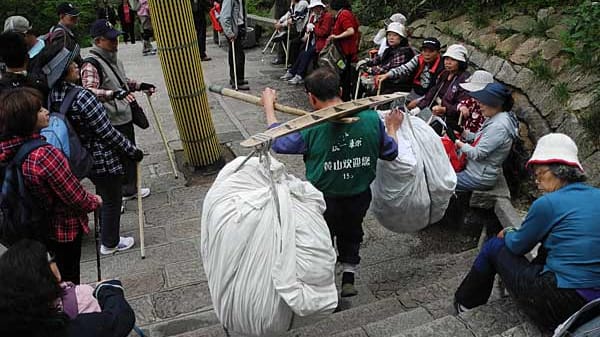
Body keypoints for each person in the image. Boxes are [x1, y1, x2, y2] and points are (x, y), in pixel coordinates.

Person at [261, 67, 402, 297]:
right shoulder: (370, 118)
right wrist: (392, 128)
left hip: (322, 199)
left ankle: (325, 284)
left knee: (323, 237)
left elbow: (278, 143)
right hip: (359, 195)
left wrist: (269, 109)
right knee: (352, 230)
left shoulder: (311, 126)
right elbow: (391, 151)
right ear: (341, 90)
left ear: (311, 98)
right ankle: (349, 273)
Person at [454, 133, 600, 329]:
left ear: (559, 170)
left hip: (562, 303)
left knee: (493, 246)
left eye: (539, 173)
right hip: (594, 305)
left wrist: (508, 232)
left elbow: (517, 245)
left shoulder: (547, 203)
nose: (537, 181)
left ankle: (465, 302)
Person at [0, 87, 102, 283]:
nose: (46, 111)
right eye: (38, 110)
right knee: (68, 279)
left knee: (47, 280)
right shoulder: (44, 154)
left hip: (28, 229)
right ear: (26, 119)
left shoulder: (7, 149)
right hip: (61, 228)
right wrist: (94, 201)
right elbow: (74, 196)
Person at [50, 48, 143, 256]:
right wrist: (132, 150)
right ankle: (110, 242)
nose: (77, 66)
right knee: (111, 197)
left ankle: (105, 232)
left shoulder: (53, 94)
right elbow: (107, 132)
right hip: (101, 154)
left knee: (102, 192)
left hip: (78, 154)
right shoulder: (83, 97)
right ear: (64, 72)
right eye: (71, 65)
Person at [81, 19, 154, 205]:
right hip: (110, 119)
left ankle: (131, 188)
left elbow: (120, 81)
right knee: (118, 159)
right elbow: (88, 91)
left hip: (124, 115)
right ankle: (116, 197)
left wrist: (139, 85)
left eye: (116, 38)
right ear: (98, 41)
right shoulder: (91, 64)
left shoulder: (115, 59)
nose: (115, 43)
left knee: (130, 154)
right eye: (110, 40)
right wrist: (113, 94)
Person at [0, 239, 135, 337]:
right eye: (49, 258)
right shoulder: (65, 330)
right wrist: (107, 289)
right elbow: (119, 319)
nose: (53, 260)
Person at [453, 82, 518, 191]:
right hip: (474, 169)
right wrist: (463, 132)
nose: (480, 105)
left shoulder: (499, 127)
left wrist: (457, 142)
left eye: (484, 102)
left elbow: (477, 153)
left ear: (496, 104)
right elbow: (481, 139)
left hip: (477, 176)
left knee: (438, 180)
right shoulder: (496, 117)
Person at [410, 44, 470, 135]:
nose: (448, 62)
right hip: (436, 112)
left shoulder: (464, 80)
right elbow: (433, 92)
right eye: (446, 59)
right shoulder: (444, 74)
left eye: (452, 60)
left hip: (451, 121)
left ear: (460, 62)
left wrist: (445, 109)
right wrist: (419, 108)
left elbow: (462, 105)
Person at [377, 37, 443, 107]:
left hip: (431, 97)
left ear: (438, 53)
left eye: (431, 51)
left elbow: (436, 91)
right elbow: (404, 68)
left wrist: (418, 101)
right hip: (415, 92)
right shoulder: (418, 58)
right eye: (424, 51)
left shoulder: (442, 67)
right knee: (395, 105)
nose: (427, 54)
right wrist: (387, 75)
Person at [280, 0, 333, 85]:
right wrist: (307, 32)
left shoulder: (327, 17)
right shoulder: (313, 17)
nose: (314, 10)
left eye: (315, 8)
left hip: (322, 42)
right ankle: (292, 72)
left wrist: (314, 28)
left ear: (320, 7)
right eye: (312, 8)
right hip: (312, 41)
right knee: (302, 52)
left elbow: (324, 32)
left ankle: (300, 75)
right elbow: (308, 30)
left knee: (306, 53)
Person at [356, 22, 415, 94]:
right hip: (388, 82)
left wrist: (369, 69)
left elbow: (387, 67)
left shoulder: (404, 52)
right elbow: (379, 58)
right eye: (389, 35)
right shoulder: (390, 49)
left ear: (401, 38)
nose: (391, 38)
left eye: (395, 35)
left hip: (399, 86)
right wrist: (366, 61)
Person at [327, 0, 359, 102]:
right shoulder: (344, 14)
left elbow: (350, 30)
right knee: (343, 75)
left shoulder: (344, 14)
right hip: (345, 50)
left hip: (346, 51)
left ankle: (344, 99)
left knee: (344, 76)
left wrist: (336, 37)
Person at [220, 0, 249, 90]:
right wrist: (229, 33)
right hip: (233, 29)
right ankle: (237, 80)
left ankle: (234, 78)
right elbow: (224, 17)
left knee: (235, 55)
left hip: (238, 27)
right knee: (238, 56)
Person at [272, 0, 309, 66]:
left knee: (293, 43)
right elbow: (288, 14)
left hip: (302, 30)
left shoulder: (303, 3)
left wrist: (281, 25)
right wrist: (280, 21)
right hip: (295, 29)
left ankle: (291, 63)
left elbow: (295, 17)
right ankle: (282, 36)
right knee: (285, 37)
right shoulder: (293, 3)